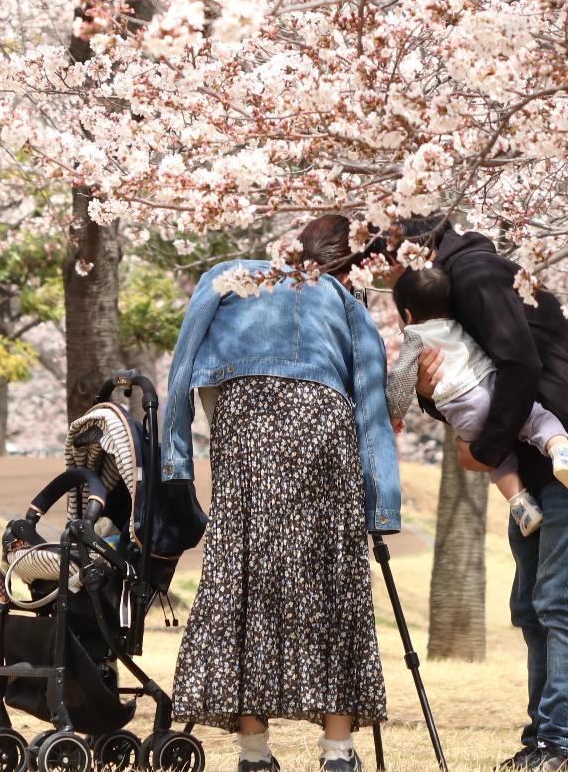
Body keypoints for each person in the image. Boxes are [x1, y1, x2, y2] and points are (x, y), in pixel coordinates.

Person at [388, 215, 568, 772]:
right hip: (532, 457)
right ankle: (541, 739)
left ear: (409, 252)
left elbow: (520, 364)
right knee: (531, 607)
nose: (386, 272)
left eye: (387, 259)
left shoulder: (476, 275)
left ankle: (561, 747)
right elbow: (462, 382)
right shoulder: (452, 285)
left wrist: (486, 447)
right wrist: (427, 397)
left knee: (561, 602)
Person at [161, 216, 399, 772]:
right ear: (350, 264)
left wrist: (176, 454)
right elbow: (371, 406)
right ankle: (338, 751)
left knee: (244, 573)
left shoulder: (230, 275)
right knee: (334, 577)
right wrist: (381, 503)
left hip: (246, 427)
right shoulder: (345, 302)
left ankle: (254, 751)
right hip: (324, 426)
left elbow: (181, 370)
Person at [384, 264, 568, 537]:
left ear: (408, 315)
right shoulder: (459, 323)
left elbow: (401, 377)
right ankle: (561, 451)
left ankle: (520, 504)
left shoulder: (414, 337)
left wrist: (395, 413)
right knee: (536, 417)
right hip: (491, 386)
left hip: (461, 408)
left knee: (497, 459)